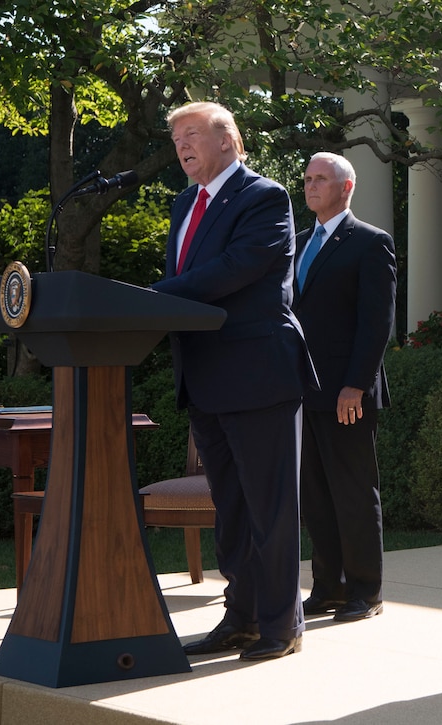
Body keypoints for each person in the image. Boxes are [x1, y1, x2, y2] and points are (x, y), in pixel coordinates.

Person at [151, 101, 317, 661]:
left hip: (256, 373)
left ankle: (280, 625)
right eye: (177, 140)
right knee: (232, 508)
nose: (182, 147)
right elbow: (185, 277)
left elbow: (232, 271)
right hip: (204, 375)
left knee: (269, 507)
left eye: (192, 135)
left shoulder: (263, 198)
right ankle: (241, 616)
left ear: (229, 140)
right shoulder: (183, 203)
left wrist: (150, 298)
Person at [293, 152, 397, 622]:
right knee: (313, 496)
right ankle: (328, 586)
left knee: (354, 493)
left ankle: (365, 591)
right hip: (300, 392)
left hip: (345, 394)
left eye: (321, 179)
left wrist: (355, 385)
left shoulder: (371, 243)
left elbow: (376, 324)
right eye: (308, 179)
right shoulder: (295, 243)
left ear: (346, 187)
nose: (311, 186)